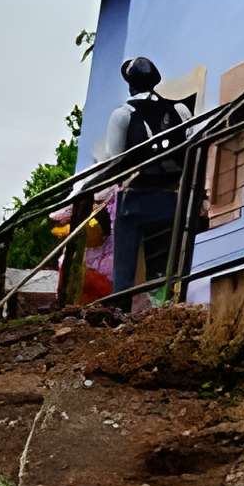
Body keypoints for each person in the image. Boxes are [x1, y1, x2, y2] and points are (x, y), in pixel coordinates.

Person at [97, 57, 194, 303]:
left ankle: (120, 311)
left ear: (130, 85)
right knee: (162, 263)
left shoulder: (122, 115)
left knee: (125, 268)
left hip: (134, 199)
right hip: (172, 198)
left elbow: (114, 162)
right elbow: (193, 148)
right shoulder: (180, 110)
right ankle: (162, 308)